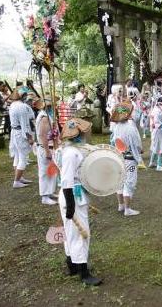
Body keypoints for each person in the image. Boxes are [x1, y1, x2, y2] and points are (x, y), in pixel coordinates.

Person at [57, 117, 101, 286]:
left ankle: (72, 265)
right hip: (72, 196)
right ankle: (84, 273)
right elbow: (67, 180)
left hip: (73, 195)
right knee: (80, 235)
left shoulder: (65, 150)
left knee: (71, 233)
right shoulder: (70, 153)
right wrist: (71, 204)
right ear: (79, 134)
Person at [111, 101, 142, 216]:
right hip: (129, 157)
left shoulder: (116, 127)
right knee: (129, 182)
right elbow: (137, 144)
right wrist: (139, 151)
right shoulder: (130, 128)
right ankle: (127, 209)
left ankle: (121, 205)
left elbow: (114, 141)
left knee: (120, 181)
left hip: (119, 156)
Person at [9, 90, 34, 188]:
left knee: (17, 156)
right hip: (20, 133)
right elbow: (25, 125)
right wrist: (29, 138)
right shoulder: (22, 107)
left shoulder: (12, 105)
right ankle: (17, 181)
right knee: (23, 157)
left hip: (14, 131)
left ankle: (19, 177)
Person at [35, 98, 57, 205]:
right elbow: (42, 135)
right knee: (44, 172)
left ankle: (50, 192)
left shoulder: (48, 116)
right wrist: (47, 151)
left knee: (51, 170)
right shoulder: (44, 118)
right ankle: (44, 195)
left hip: (50, 146)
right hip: (45, 148)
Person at [149, 96, 162, 171]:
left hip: (156, 131)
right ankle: (159, 166)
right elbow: (156, 121)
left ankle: (152, 162)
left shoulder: (156, 109)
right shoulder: (157, 110)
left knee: (155, 147)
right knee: (161, 148)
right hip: (158, 131)